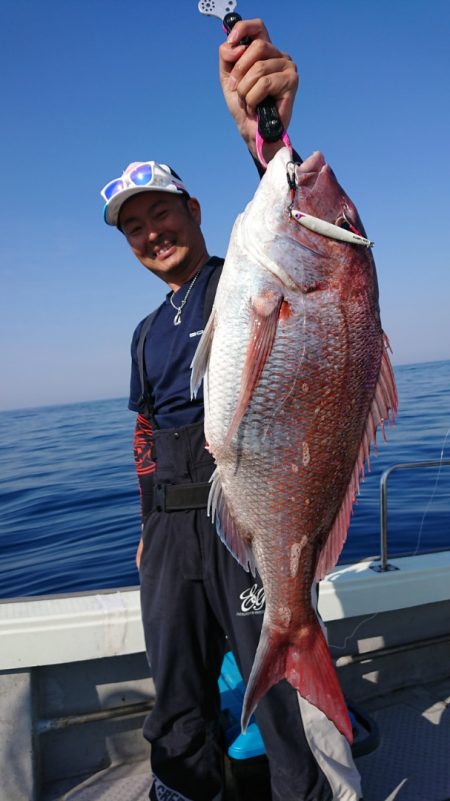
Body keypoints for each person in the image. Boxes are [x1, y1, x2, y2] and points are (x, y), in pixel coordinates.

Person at [100, 18, 363, 801]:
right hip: (171, 532)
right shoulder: (146, 333)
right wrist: (149, 527)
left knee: (279, 702)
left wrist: (262, 125)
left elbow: (288, 212)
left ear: (196, 209)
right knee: (176, 683)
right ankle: (181, 786)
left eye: (162, 213)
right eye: (135, 226)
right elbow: (145, 434)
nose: (152, 232)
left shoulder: (241, 278)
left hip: (246, 504)